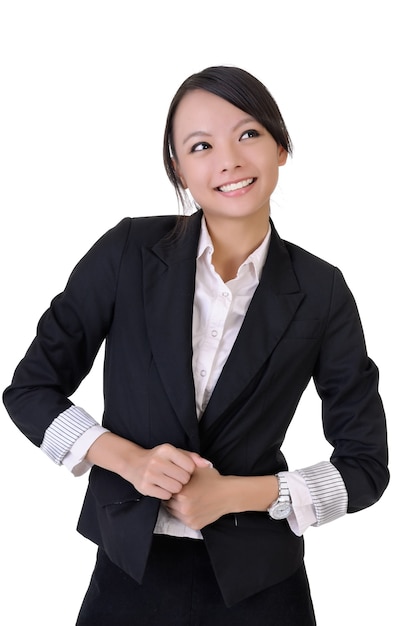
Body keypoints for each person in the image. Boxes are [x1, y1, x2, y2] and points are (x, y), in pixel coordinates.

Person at [3, 66, 389, 625]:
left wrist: (233, 495)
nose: (228, 159)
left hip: (262, 586)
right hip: (128, 571)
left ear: (282, 147)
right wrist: (129, 461)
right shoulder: (128, 251)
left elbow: (365, 468)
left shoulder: (322, 290)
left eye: (248, 134)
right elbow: (31, 390)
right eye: (201, 146)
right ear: (179, 171)